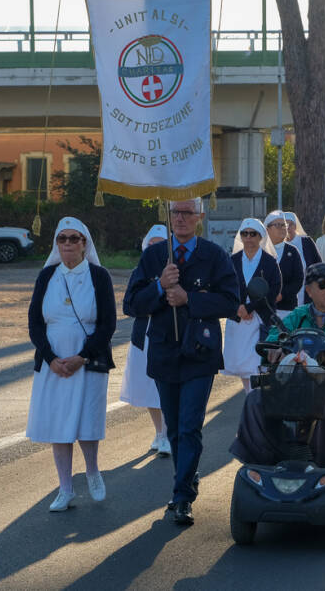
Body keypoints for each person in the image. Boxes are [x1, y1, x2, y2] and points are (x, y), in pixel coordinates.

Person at [124, 198, 239, 526]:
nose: (181, 218)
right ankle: (187, 477)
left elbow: (231, 302)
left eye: (188, 212)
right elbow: (131, 304)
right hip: (164, 352)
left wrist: (191, 299)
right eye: (176, 212)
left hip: (199, 355)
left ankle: (181, 496)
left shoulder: (214, 256)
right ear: (169, 215)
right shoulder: (155, 256)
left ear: (200, 216)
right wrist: (160, 287)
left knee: (189, 425)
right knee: (173, 427)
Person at [230, 263, 325, 472]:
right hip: (296, 387)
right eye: (323, 285)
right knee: (255, 399)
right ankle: (259, 465)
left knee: (316, 403)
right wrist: (275, 350)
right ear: (309, 290)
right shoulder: (298, 315)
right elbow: (275, 336)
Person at [27, 217, 117, 512]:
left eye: (73, 239)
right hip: (53, 362)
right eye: (62, 239)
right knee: (58, 426)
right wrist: (51, 358)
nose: (67, 244)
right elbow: (35, 323)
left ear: (84, 243)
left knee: (86, 422)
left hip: (88, 361)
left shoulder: (99, 276)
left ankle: (92, 471)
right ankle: (65, 489)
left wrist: (82, 356)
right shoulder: (46, 276)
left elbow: (108, 324)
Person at [119, 224, 170, 456]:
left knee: (166, 388)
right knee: (148, 389)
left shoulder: (177, 271)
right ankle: (159, 432)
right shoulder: (139, 272)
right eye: (152, 243)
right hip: (142, 337)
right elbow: (129, 305)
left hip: (167, 337)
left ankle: (169, 433)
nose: (155, 247)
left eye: (161, 243)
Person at [222, 218, 282, 393]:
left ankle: (255, 403)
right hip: (238, 319)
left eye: (253, 234)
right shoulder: (232, 260)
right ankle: (251, 401)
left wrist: (250, 307)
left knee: (256, 365)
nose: (248, 237)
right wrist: (238, 308)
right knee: (241, 366)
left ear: (261, 236)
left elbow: (274, 288)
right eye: (244, 233)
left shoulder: (269, 262)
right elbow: (224, 287)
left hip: (259, 319)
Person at [264, 211, 304, 317]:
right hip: (262, 309)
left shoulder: (292, 251)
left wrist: (282, 295)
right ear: (267, 229)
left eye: (284, 225)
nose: (282, 228)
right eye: (277, 225)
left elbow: (298, 279)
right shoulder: (260, 251)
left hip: (287, 309)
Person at [284, 211, 323, 298]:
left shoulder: (306, 242)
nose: (288, 227)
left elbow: (318, 264)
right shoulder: (279, 245)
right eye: (285, 225)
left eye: (291, 224)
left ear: (295, 226)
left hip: (307, 288)